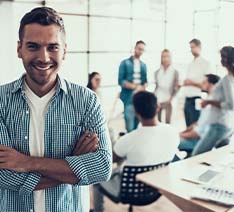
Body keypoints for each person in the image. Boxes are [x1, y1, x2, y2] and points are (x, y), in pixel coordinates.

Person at [0, 7, 112, 212]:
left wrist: (25, 162)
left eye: (53, 47)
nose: (43, 57)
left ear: (64, 50)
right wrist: (74, 166)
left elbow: (102, 168)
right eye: (33, 46)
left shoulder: (86, 101)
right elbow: (3, 176)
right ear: (19, 49)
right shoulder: (0, 101)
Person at [93, 91, 180, 212]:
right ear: (158, 107)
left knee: (96, 177)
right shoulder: (173, 132)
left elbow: (108, 160)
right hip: (156, 189)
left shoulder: (129, 139)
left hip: (128, 190)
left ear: (135, 112)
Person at [191, 46, 234, 156]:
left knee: (196, 155)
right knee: (219, 157)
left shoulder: (227, 80)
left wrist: (209, 102)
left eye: (222, 57)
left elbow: (231, 105)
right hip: (226, 123)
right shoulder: (230, 78)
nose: (220, 60)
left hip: (219, 125)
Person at [179, 74, 220, 156]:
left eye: (204, 82)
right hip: (196, 137)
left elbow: (199, 133)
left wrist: (178, 135)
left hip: (198, 141)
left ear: (211, 85)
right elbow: (197, 124)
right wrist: (181, 132)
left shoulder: (211, 104)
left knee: (167, 142)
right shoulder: (208, 100)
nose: (201, 84)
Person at [118, 40, 148, 132]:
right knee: (129, 125)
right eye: (139, 49)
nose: (140, 51)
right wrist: (135, 87)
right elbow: (121, 81)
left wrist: (142, 87)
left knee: (137, 124)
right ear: (135, 48)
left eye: (142, 50)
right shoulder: (124, 63)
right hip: (128, 98)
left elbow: (145, 82)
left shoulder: (143, 65)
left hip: (140, 98)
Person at [183, 39, 211, 127]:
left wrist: (191, 83)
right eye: (190, 48)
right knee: (188, 125)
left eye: (193, 47)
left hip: (197, 98)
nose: (191, 50)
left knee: (196, 126)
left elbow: (206, 86)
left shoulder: (205, 64)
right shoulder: (190, 64)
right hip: (187, 98)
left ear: (199, 47)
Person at [154, 49, 179, 123]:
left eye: (167, 56)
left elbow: (177, 87)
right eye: (163, 56)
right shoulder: (157, 72)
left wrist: (171, 99)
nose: (165, 58)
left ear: (170, 58)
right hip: (158, 100)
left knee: (168, 122)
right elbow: (157, 86)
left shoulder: (175, 72)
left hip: (169, 100)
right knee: (158, 122)